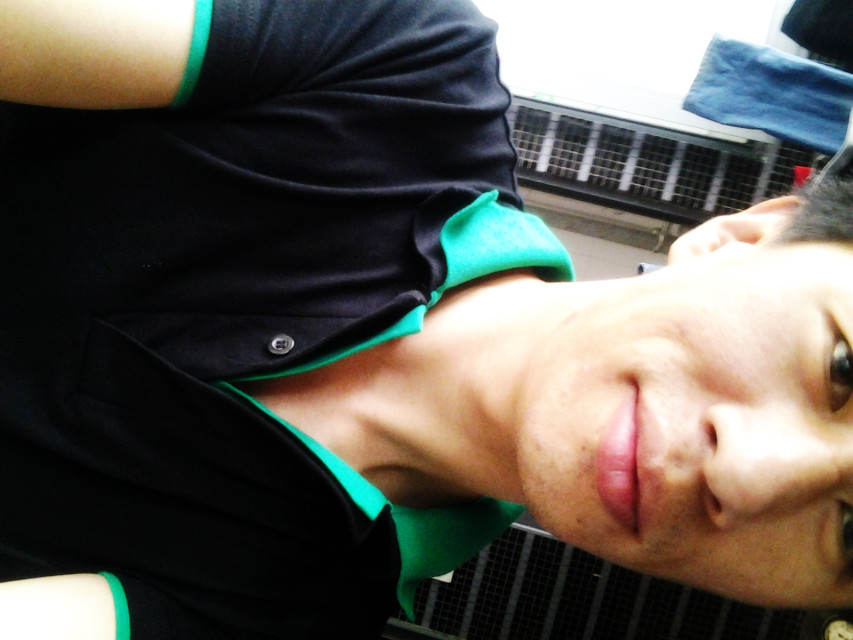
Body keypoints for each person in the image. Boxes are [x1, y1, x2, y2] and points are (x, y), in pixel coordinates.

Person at [1, 1, 852, 639]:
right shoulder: (398, 65)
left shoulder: (276, 614)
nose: (748, 476)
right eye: (841, 367)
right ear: (740, 239)